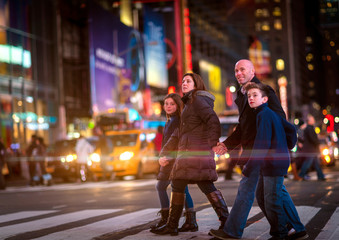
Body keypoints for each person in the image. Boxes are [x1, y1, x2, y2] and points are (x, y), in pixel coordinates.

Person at [210, 59, 307, 240]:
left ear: (252, 71)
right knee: (273, 193)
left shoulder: (263, 91)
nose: (238, 73)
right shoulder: (243, 96)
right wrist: (227, 144)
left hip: (262, 151)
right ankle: (295, 227)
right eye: (236, 70)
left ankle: (233, 231)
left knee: (248, 190)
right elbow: (243, 127)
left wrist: (281, 146)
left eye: (242, 70)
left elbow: (280, 118)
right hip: (258, 152)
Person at [151, 72, 229, 236]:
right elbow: (180, 131)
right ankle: (173, 225)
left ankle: (226, 221)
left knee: (203, 185)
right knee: (181, 184)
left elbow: (213, 120)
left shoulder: (197, 100)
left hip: (196, 153)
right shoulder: (189, 103)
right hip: (188, 155)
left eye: (188, 81)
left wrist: (212, 143)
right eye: (183, 81)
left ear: (196, 84)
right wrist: (165, 151)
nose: (184, 84)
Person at [242, 83, 303, 239]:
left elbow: (262, 144)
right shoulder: (266, 114)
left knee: (272, 202)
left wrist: (249, 166)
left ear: (264, 99)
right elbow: (290, 129)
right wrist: (286, 144)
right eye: (249, 96)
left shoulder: (264, 115)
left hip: (274, 164)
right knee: (263, 197)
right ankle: (296, 228)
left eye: (255, 95)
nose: (251, 98)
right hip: (271, 163)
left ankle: (280, 233)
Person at [150, 93, 197, 232]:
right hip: (171, 159)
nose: (168, 106)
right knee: (181, 189)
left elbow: (176, 143)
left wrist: (167, 157)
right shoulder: (170, 120)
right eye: (166, 104)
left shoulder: (177, 121)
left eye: (172, 104)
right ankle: (190, 220)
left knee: (161, 186)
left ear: (177, 105)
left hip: (173, 160)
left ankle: (168, 219)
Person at [298, 114, 325, 181]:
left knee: (316, 163)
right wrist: (318, 143)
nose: (314, 120)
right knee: (308, 163)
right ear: (309, 121)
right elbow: (312, 138)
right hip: (311, 149)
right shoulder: (309, 128)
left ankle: (320, 176)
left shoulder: (309, 128)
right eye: (313, 119)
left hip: (311, 149)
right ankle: (301, 175)